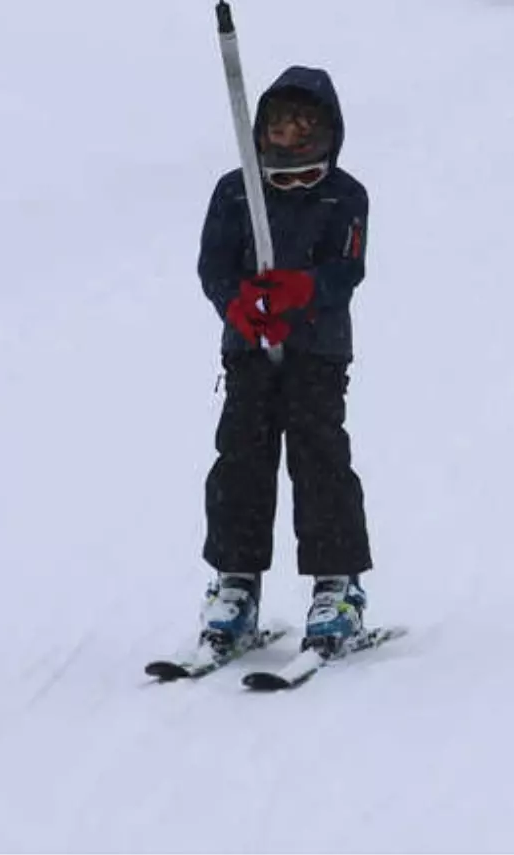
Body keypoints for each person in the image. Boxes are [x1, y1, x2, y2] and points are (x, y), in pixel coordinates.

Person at [196, 67, 372, 658]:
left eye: (303, 128)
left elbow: (346, 269)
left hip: (317, 350)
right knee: (241, 460)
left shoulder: (344, 194)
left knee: (319, 458)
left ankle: (337, 586)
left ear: (326, 129)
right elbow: (214, 266)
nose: (289, 139)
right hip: (248, 349)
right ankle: (236, 585)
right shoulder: (234, 189)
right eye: (278, 127)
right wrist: (240, 306)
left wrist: (300, 292)